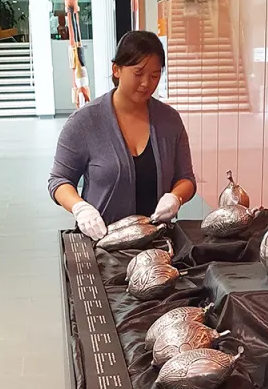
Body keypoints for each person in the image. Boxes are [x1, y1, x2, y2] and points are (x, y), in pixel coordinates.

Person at [48, 30, 196, 239]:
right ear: (116, 70)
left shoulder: (169, 121)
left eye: (155, 75)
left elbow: (186, 178)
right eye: (138, 73)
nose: (146, 83)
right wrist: (80, 208)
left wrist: (176, 197)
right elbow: (59, 180)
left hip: (158, 242)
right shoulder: (84, 122)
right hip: (102, 241)